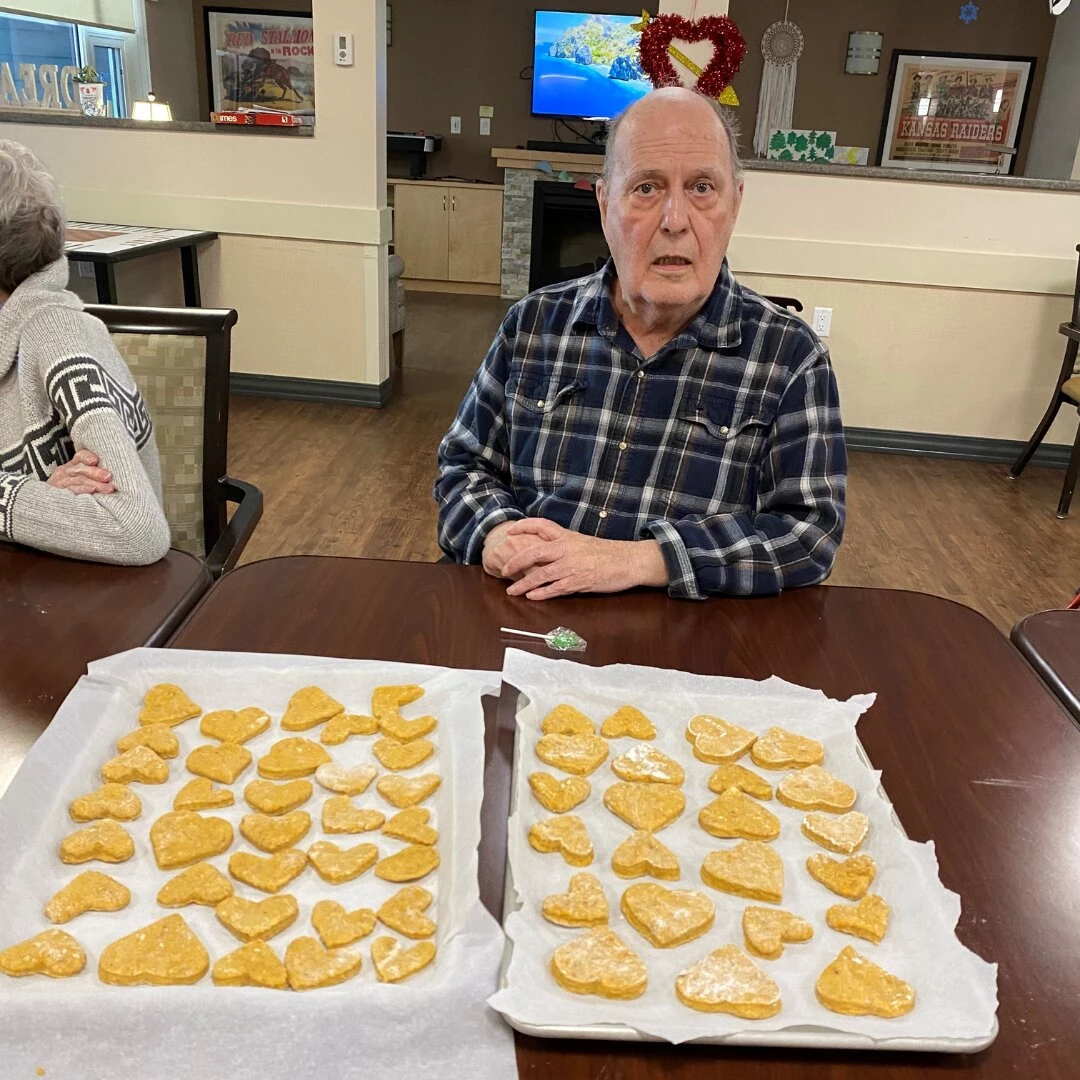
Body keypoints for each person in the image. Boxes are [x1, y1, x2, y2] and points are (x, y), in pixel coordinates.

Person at [435, 87, 846, 602]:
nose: (675, 220)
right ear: (606, 205)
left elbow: (809, 536)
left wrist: (638, 560)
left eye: (701, 187)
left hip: (680, 639)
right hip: (526, 609)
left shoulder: (792, 358)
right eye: (647, 188)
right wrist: (496, 532)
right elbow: (464, 466)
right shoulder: (533, 323)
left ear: (735, 204)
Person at [0, 140, 170, 565]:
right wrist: (38, 496)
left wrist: (16, 497)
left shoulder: (57, 336)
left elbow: (137, 529)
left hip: (73, 596)